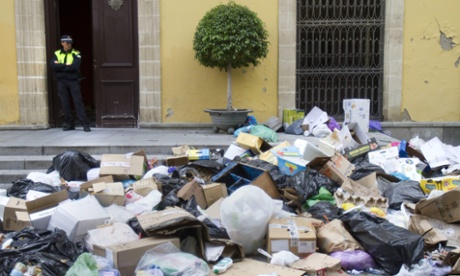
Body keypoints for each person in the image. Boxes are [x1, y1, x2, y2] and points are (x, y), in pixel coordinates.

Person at [50, 35, 91, 132]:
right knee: (64, 103)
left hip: (73, 81)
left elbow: (75, 67)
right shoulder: (57, 53)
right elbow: (53, 66)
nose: (69, 44)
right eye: (66, 42)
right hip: (61, 81)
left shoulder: (76, 53)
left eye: (70, 43)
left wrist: (60, 66)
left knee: (78, 102)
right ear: (62, 43)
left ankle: (85, 124)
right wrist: (66, 66)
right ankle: (70, 124)